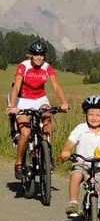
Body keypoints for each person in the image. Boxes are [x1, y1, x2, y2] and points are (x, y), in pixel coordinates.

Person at [58, 95, 100, 221]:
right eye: (91, 114)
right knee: (75, 175)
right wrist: (66, 150)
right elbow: (70, 142)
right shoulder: (80, 128)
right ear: (85, 114)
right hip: (82, 164)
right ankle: (73, 203)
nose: (94, 118)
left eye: (98, 115)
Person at [7, 40, 69, 180]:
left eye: (41, 54)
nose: (39, 57)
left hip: (40, 99)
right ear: (31, 55)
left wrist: (64, 102)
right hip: (23, 100)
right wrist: (12, 106)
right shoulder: (23, 66)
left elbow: (56, 86)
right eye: (36, 54)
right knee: (26, 132)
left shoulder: (48, 68)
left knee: (47, 121)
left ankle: (47, 153)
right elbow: (16, 87)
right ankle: (18, 163)